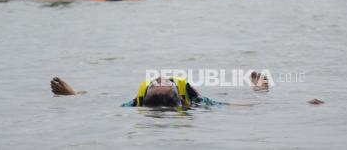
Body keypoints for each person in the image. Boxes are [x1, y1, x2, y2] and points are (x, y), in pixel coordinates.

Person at [50, 76, 234, 108]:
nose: (161, 77)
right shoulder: (197, 104)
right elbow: (233, 105)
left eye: (155, 84)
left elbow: (95, 104)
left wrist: (73, 95)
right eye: (169, 82)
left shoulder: (132, 105)